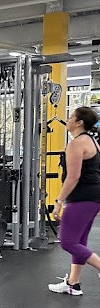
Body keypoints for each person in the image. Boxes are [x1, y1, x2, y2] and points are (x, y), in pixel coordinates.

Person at [49, 106, 100, 296]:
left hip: (81, 198)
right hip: (92, 197)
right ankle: (73, 283)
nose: (67, 119)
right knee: (80, 241)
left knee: (68, 242)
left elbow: (73, 177)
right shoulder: (92, 142)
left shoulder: (76, 144)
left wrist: (59, 201)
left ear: (79, 123)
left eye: (71, 117)